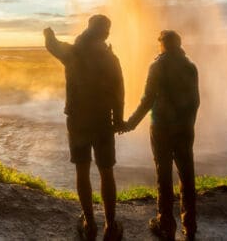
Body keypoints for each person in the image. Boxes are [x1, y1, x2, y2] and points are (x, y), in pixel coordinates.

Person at [44, 15, 125, 240]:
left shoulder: (73, 52)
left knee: (82, 169)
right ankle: (110, 225)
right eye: (107, 29)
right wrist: (118, 119)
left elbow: (51, 45)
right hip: (102, 120)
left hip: (78, 119)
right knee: (106, 171)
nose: (109, 33)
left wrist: (48, 32)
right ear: (103, 32)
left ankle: (89, 224)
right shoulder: (110, 57)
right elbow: (119, 92)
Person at [121, 30, 200, 240]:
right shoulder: (190, 67)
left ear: (163, 45)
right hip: (185, 129)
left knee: (163, 174)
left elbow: (147, 99)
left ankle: (166, 226)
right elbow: (195, 101)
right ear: (179, 44)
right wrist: (188, 124)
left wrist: (130, 123)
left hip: (162, 127)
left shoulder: (157, 65)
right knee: (187, 175)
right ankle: (190, 226)